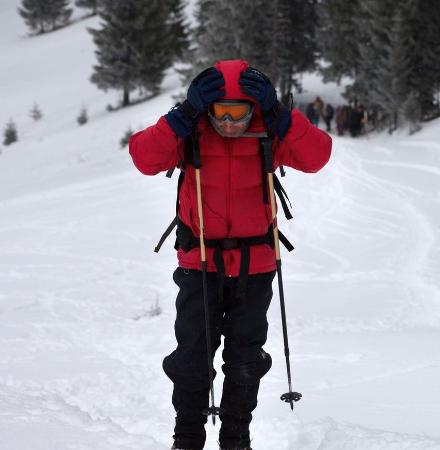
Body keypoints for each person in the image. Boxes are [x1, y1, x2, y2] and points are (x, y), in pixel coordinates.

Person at [129, 59, 331, 450]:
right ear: (207, 107)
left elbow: (317, 157)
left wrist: (281, 116)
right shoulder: (191, 130)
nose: (229, 122)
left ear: (254, 109)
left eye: (239, 113)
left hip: (256, 265)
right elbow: (144, 158)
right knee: (192, 357)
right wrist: (181, 115)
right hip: (198, 262)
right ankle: (187, 438)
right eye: (221, 112)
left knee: (245, 358)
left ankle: (236, 437)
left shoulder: (269, 131)